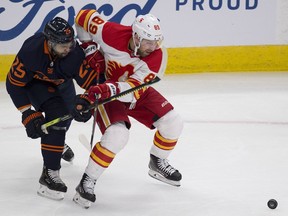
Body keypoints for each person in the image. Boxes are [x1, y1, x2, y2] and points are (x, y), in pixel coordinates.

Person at [72, 9, 184, 208]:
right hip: (108, 91)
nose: (154, 46)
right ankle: (86, 182)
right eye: (148, 41)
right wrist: (89, 47)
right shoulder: (110, 32)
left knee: (173, 122)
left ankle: (157, 162)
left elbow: (134, 91)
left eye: (156, 41)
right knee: (117, 136)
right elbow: (82, 17)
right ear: (135, 36)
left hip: (133, 91)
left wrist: (110, 87)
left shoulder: (156, 57)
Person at [6, 17, 104, 200]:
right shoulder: (31, 52)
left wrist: (87, 102)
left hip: (62, 83)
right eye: (63, 46)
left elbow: (92, 83)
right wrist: (27, 112)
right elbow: (13, 84)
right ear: (49, 43)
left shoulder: (73, 55)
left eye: (70, 43)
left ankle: (55, 142)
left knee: (65, 119)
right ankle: (50, 173)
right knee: (57, 116)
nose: (68, 48)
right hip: (36, 84)